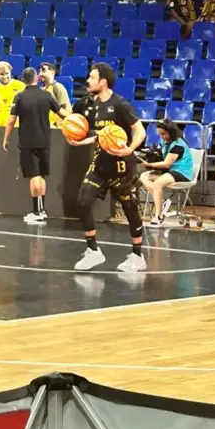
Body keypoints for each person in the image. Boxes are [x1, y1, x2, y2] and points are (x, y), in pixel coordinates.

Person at [69, 63, 147, 272]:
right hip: (100, 163)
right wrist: (81, 141)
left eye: (92, 78)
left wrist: (129, 148)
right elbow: (102, 136)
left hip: (122, 165)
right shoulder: (94, 106)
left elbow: (140, 131)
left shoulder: (120, 104)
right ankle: (93, 251)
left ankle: (138, 255)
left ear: (103, 82)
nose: (88, 81)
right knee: (83, 201)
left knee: (130, 209)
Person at [4, 67, 67, 223]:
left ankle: (36, 211)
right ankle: (42, 210)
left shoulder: (19, 96)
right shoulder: (47, 95)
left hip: (27, 142)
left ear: (23, 80)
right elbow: (62, 114)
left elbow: (11, 120)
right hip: (45, 140)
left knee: (34, 176)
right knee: (42, 176)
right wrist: (78, 123)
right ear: (36, 78)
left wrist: (6, 138)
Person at [139, 120, 196, 226]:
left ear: (171, 131)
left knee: (157, 183)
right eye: (160, 134)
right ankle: (162, 201)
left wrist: (149, 164)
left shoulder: (178, 144)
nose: (162, 136)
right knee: (144, 176)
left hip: (182, 172)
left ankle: (158, 216)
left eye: (163, 134)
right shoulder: (165, 142)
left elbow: (166, 164)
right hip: (170, 172)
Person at [0, 61, 25, 127]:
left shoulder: (21, 86)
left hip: (17, 128)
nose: (5, 76)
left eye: (7, 73)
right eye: (2, 74)